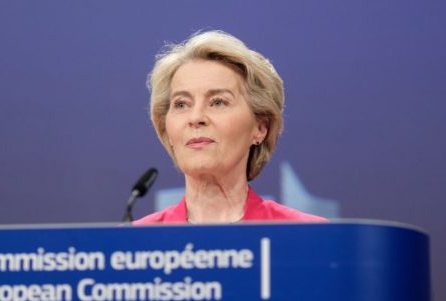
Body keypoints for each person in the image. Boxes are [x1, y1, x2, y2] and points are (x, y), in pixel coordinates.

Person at [134, 30, 326, 225]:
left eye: (218, 102)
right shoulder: (131, 245)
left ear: (260, 127)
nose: (196, 118)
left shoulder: (310, 235)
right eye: (181, 104)